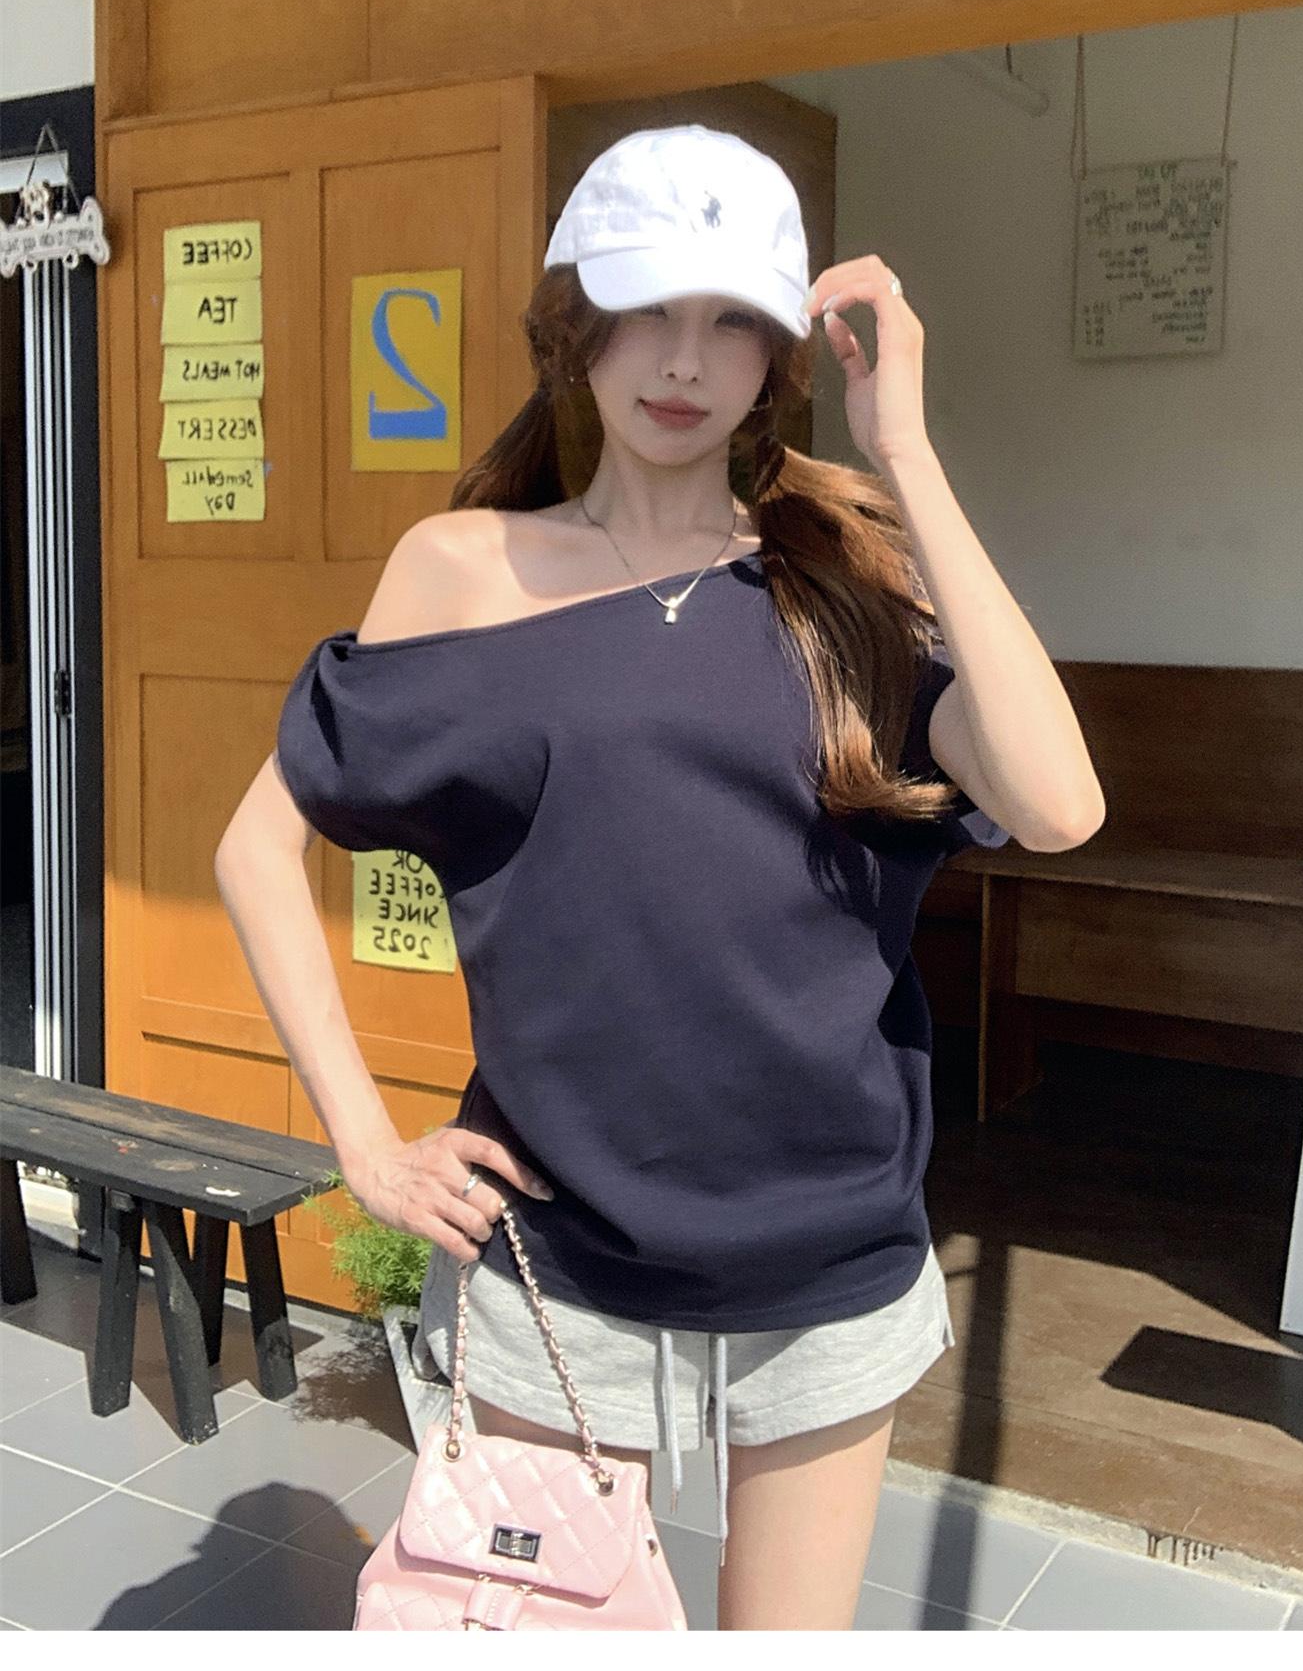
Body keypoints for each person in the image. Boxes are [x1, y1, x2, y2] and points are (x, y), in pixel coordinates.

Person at [217, 124, 1104, 1630]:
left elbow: (1059, 805)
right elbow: (255, 847)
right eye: (645, 311)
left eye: (730, 322)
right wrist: (363, 1144)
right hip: (556, 1255)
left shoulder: (843, 577)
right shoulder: (462, 569)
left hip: (828, 1248)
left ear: (778, 358)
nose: (684, 361)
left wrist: (909, 453)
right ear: (578, 326)